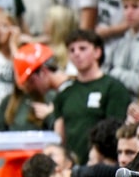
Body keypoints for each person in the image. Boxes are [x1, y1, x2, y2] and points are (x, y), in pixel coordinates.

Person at [53, 30, 130, 165]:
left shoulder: (113, 88)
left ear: (97, 52)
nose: (76, 53)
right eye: (71, 50)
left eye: (82, 48)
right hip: (73, 166)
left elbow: (116, 129)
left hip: (104, 164)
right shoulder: (65, 92)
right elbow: (60, 135)